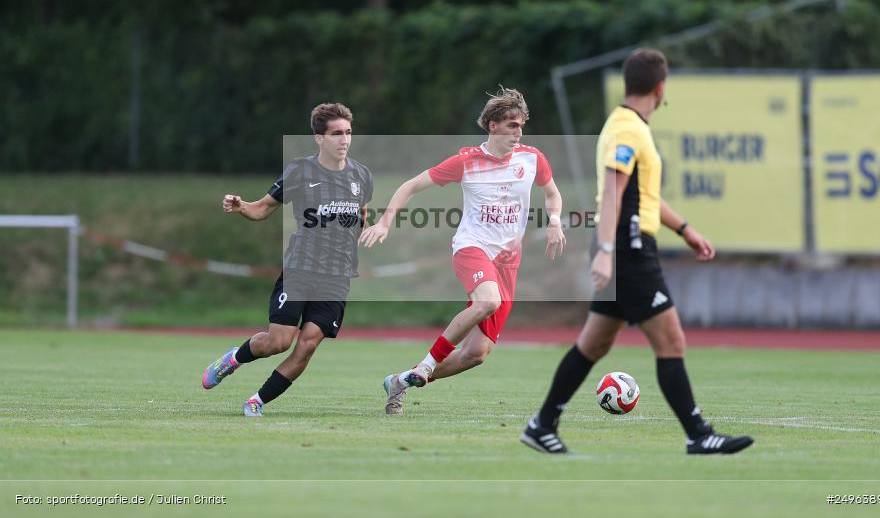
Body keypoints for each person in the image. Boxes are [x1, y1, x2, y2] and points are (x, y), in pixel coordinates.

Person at [521, 49, 754, 455]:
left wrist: (685, 230)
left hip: (626, 243)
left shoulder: (628, 125)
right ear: (660, 88)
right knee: (672, 341)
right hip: (627, 246)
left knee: (593, 345)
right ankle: (699, 435)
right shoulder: (629, 129)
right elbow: (614, 188)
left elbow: (644, 195)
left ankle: (542, 425)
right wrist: (607, 250)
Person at [360, 86, 566, 414]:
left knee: (477, 354)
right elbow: (411, 186)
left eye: (521, 125)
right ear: (493, 125)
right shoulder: (466, 161)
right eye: (512, 125)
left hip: (508, 262)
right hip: (472, 247)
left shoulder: (532, 158)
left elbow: (552, 194)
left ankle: (400, 380)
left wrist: (554, 220)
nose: (518, 132)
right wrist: (384, 222)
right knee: (488, 301)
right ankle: (427, 364)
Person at [201, 102, 373, 417]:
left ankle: (257, 401)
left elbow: (361, 213)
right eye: (336, 134)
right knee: (278, 342)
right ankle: (233, 360)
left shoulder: (361, 175)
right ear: (319, 138)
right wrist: (241, 206)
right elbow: (263, 208)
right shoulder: (300, 171)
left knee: (307, 345)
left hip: (337, 277)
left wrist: (368, 230)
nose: (344, 140)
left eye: (348, 133)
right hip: (301, 270)